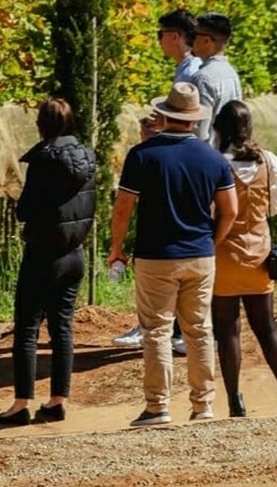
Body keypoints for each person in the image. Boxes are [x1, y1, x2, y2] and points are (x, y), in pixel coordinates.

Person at [107, 83, 238, 426]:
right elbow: (230, 210)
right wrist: (212, 241)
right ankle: (204, 404)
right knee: (198, 330)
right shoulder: (212, 158)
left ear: (164, 114)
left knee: (156, 330)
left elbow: (123, 208)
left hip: (155, 256)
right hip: (199, 254)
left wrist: (116, 248)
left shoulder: (143, 155)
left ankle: (157, 406)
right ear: (194, 119)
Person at [0, 98, 93, 426]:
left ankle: (21, 403)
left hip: (42, 254)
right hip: (75, 254)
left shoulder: (44, 160)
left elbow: (25, 210)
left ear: (42, 125)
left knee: (26, 329)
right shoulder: (88, 157)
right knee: (62, 328)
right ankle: (57, 400)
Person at [117, 8, 201, 354]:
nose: (159, 40)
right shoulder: (187, 70)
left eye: (161, 33)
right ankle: (169, 328)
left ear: (177, 36)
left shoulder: (192, 72)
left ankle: (160, 327)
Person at [211, 101, 277, 417]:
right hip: (260, 253)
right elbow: (273, 208)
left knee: (228, 330)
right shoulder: (268, 160)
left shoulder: (216, 163)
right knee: (267, 328)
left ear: (219, 127)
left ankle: (236, 401)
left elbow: (212, 210)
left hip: (224, 254)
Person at [191, 12, 243, 145]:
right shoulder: (231, 73)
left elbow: (199, 130)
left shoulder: (202, 78)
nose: (191, 40)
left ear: (207, 41)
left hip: (206, 157)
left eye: (194, 35)